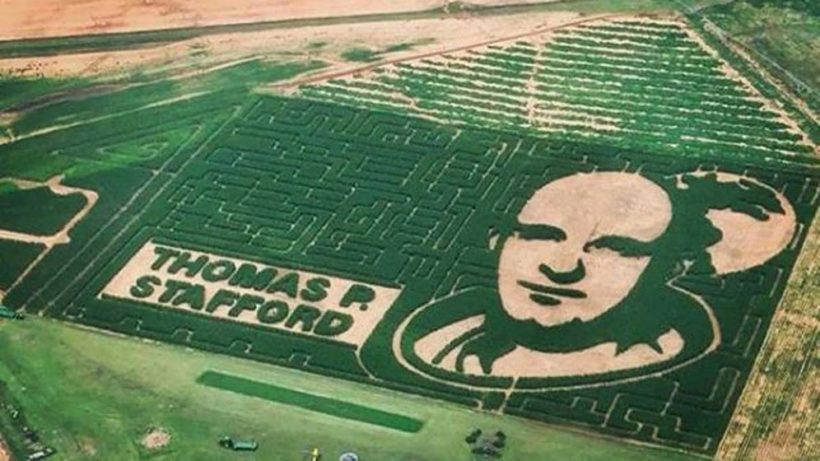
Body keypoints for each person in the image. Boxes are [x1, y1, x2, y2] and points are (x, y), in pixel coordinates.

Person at [397, 170, 795, 385]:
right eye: (539, 235)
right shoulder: (443, 340)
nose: (562, 266)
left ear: (671, 269)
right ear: (497, 241)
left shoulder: (673, 350)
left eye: (614, 248)